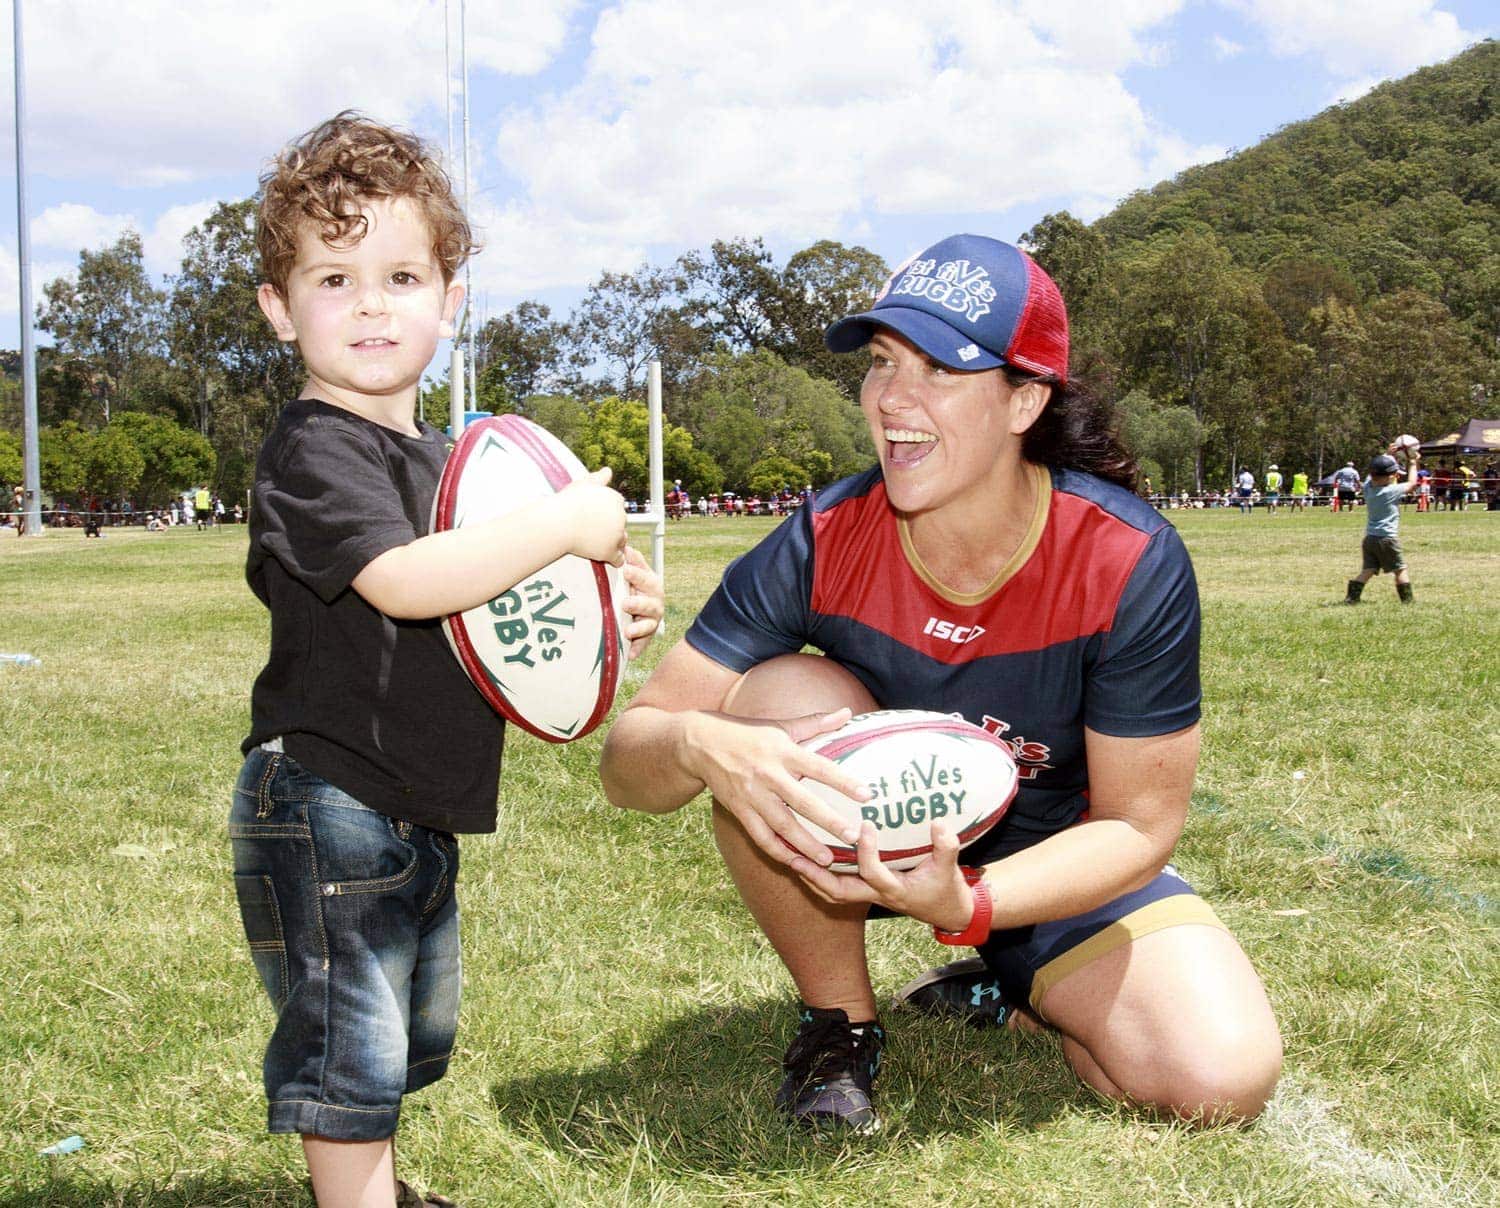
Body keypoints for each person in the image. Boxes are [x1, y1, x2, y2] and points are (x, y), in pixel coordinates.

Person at [600, 234, 1281, 1135]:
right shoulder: (825, 535)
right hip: (864, 840)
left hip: (1052, 865)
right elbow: (628, 765)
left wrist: (973, 904)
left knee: (1219, 1080)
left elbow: (1138, 825)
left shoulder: (1126, 559)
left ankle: (1011, 980)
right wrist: (700, 743)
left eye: (941, 372)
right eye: (883, 364)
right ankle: (841, 1025)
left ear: (1024, 400)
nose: (893, 401)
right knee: (770, 699)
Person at [231, 112, 662, 1208]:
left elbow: (496, 605)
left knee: (403, 1029)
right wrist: (564, 527)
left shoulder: (449, 463)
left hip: (411, 799)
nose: (371, 302)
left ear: (449, 299)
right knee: (349, 1042)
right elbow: (406, 581)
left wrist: (607, 605)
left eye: (401, 273)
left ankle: (378, 1180)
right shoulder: (313, 449)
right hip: (329, 794)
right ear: (281, 310)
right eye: (334, 277)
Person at [1343, 445, 1421, 604]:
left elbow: (1372, 474)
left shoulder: (1368, 488)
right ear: (1391, 476)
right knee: (1400, 569)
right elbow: (1413, 483)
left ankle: (1352, 598)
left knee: (1368, 570)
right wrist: (1413, 462)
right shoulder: (1390, 492)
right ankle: (1408, 601)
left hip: (1370, 539)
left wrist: (1387, 455)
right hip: (1387, 539)